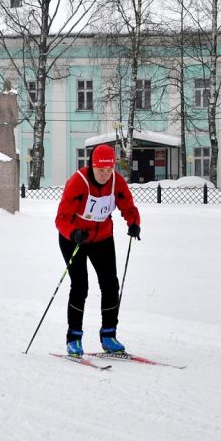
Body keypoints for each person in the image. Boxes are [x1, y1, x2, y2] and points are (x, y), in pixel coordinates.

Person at [55, 144, 141, 356]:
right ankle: (74, 338)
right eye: (100, 170)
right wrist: (73, 233)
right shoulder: (78, 182)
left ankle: (109, 335)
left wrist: (133, 222)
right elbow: (61, 218)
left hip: (102, 237)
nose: (105, 175)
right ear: (92, 166)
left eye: (109, 170)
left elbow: (127, 205)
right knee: (80, 286)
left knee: (110, 285)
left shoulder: (116, 182)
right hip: (74, 239)